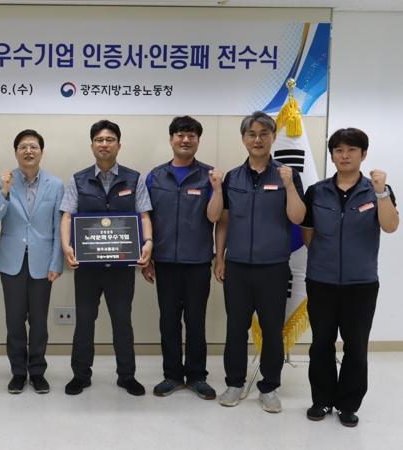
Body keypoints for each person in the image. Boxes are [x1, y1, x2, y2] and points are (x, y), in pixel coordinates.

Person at [300, 128, 398, 427]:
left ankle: (348, 404)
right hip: (321, 281)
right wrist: (326, 259)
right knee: (321, 343)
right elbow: (308, 234)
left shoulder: (377, 190)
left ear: (363, 154)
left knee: (356, 346)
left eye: (352, 150)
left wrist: (381, 192)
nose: (345, 155)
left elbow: (390, 226)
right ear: (332, 155)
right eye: (339, 150)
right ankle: (321, 400)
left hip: (361, 283)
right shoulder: (317, 191)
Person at [214, 111, 305, 413]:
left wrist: (289, 186)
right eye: (251, 134)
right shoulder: (233, 177)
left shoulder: (287, 175)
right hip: (237, 265)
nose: (258, 139)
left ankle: (270, 387)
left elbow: (298, 217)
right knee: (236, 328)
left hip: (273, 266)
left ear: (273, 137)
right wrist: (220, 257)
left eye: (264, 134)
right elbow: (223, 221)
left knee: (272, 329)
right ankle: (235, 383)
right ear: (243, 139)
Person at [60, 119, 153, 396]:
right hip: (87, 268)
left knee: (122, 322)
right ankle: (80, 375)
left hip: (121, 267)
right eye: (99, 140)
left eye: (110, 140)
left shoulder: (134, 179)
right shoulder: (78, 180)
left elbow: (144, 216)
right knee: (84, 322)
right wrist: (66, 246)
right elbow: (67, 216)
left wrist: (148, 242)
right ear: (92, 146)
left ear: (119, 145)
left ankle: (127, 376)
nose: (104, 144)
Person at [142, 116, 223, 400]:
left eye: (191, 135)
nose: (185, 140)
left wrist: (217, 188)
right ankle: (173, 375)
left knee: (196, 323)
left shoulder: (209, 176)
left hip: (197, 261)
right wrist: (147, 257)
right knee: (169, 322)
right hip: (164, 261)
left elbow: (215, 217)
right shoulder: (155, 176)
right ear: (171, 139)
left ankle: (198, 376)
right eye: (180, 135)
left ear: (198, 140)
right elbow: (145, 218)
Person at [0, 129, 65, 394]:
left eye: (33, 146)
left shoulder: (56, 184)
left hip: (43, 262)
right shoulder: (2, 181)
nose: (28, 151)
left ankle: (38, 371)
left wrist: (56, 263)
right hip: (12, 261)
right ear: (16, 152)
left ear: (41, 152)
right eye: (23, 146)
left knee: (39, 322)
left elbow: (59, 227)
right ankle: (18, 372)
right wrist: (5, 191)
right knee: (14, 320)